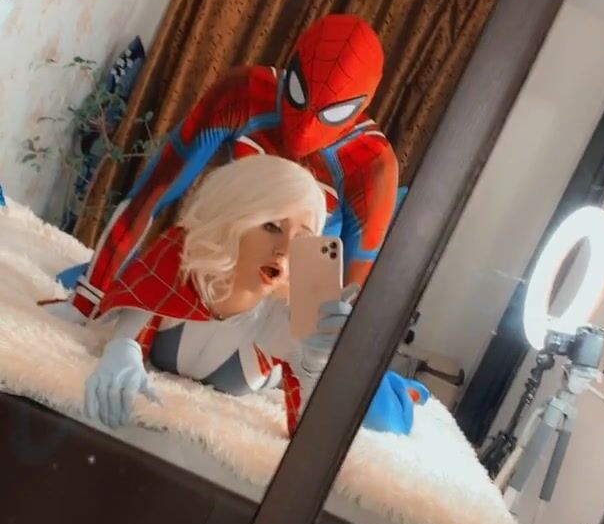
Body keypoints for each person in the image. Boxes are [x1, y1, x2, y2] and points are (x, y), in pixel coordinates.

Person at [65, 14, 399, 322]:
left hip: (282, 310)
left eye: (332, 113)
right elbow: (154, 193)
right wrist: (89, 297)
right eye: (300, 93)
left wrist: (312, 353)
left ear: (359, 108)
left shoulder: (371, 165)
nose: (306, 128)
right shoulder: (245, 94)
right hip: (212, 277)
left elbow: (351, 295)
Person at [81, 156, 428, 436]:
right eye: (271, 226)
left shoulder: (288, 315)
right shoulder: (181, 256)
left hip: (292, 338)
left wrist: (315, 365)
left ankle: (404, 387)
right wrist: (121, 346)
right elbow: (133, 300)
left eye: (301, 237)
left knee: (383, 413)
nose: (284, 249)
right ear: (233, 218)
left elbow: (312, 427)